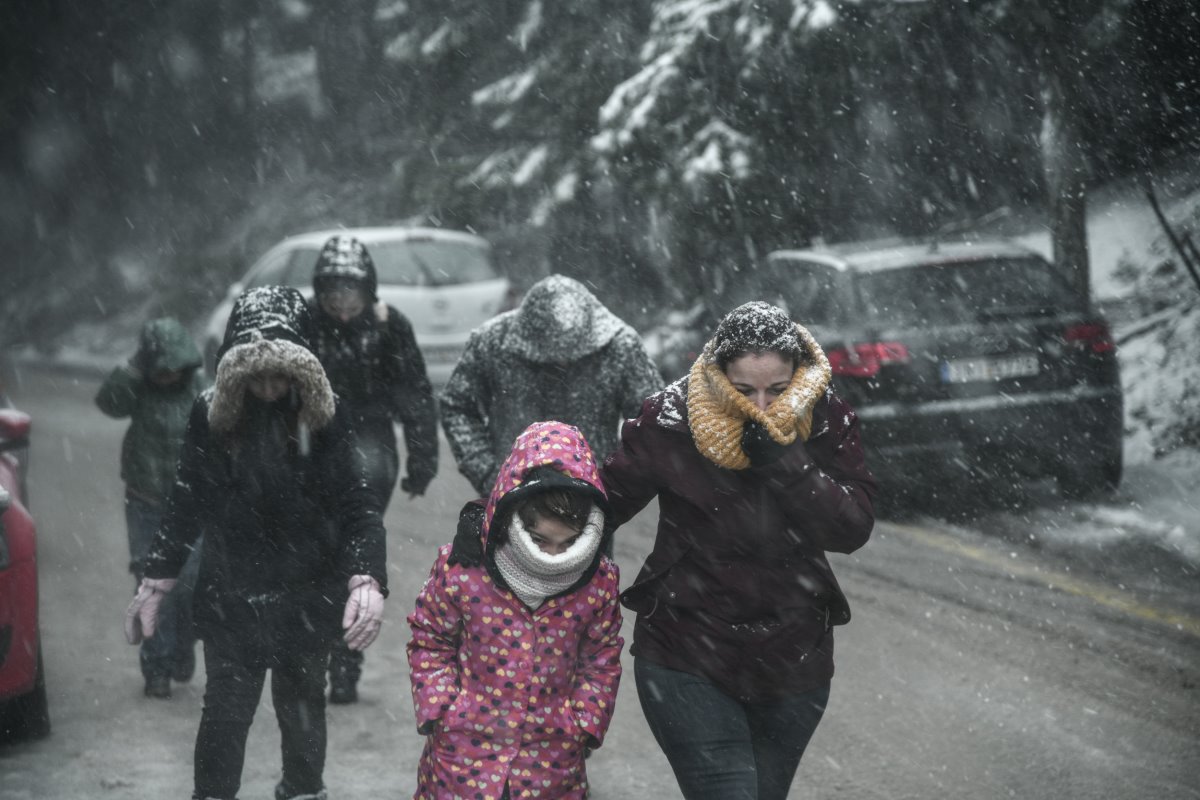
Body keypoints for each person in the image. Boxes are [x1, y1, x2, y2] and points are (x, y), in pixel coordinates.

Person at [599, 300, 877, 800]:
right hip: (684, 651)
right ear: (719, 375)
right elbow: (602, 503)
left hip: (793, 656)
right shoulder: (670, 417)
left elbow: (852, 528)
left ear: (798, 375)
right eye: (745, 390)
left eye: (778, 389)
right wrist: (506, 521)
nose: (763, 408)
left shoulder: (825, 412)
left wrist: (787, 463)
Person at [124, 286, 388, 800]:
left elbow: (358, 504)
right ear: (234, 373)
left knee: (304, 715)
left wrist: (367, 577)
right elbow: (185, 501)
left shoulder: (327, 417)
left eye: (279, 373)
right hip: (232, 595)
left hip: (308, 595)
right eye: (254, 375)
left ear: (301, 369)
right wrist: (156, 581)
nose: (267, 386)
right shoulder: (211, 417)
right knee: (224, 717)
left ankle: (303, 791)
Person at [407, 420, 623, 800]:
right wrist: (440, 707)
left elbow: (601, 657)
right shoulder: (463, 568)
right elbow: (430, 639)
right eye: (539, 540)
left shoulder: (597, 581)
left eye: (567, 543)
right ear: (512, 516)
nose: (551, 556)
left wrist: (585, 721)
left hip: (552, 759)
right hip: (462, 754)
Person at [309, 233, 438, 704]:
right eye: (333, 293)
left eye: (351, 292)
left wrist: (422, 457)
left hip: (371, 449)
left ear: (368, 291)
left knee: (355, 549)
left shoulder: (388, 327)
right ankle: (319, 649)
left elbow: (415, 394)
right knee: (317, 553)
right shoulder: (307, 326)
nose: (342, 303)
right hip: (312, 449)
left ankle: (346, 658)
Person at [440, 274, 661, 498]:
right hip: (508, 495)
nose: (561, 365)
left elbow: (651, 427)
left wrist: (612, 485)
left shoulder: (619, 346)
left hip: (590, 501)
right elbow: (457, 406)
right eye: (549, 360)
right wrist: (488, 475)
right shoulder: (492, 341)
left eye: (572, 360)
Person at [96, 316, 207, 699]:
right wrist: (132, 369)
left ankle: (182, 646)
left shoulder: (199, 389)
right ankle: (156, 667)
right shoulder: (137, 389)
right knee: (150, 582)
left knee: (190, 582)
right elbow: (108, 403)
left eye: (171, 368)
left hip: (191, 504)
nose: (164, 376)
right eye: (157, 369)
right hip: (145, 500)